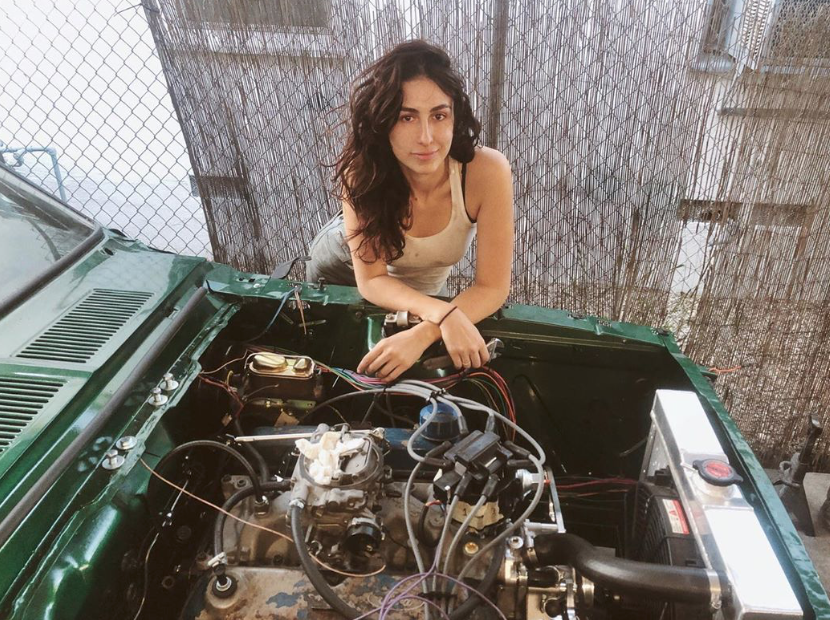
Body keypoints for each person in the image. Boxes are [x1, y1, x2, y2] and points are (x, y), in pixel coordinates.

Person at [306, 40, 514, 382]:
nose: (427, 138)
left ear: (454, 116)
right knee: (336, 371)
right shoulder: (362, 174)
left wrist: (428, 328)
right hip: (344, 270)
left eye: (439, 115)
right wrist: (444, 317)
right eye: (407, 117)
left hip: (421, 293)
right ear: (383, 122)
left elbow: (492, 287)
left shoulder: (486, 173)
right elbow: (372, 280)